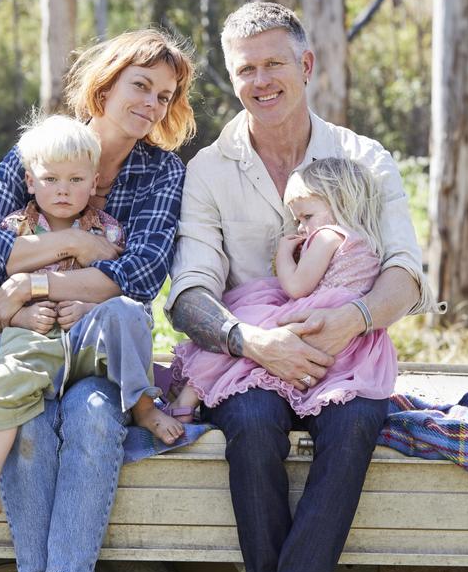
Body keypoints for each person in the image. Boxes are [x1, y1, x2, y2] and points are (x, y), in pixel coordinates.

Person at [167, 2, 436, 572]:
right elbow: (191, 290)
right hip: (250, 353)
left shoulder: (361, 159)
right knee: (252, 425)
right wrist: (253, 339)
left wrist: (351, 319)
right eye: (245, 68)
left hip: (342, 350)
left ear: (306, 65)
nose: (260, 80)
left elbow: (406, 273)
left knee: (356, 423)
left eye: (273, 63)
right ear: (232, 78)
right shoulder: (210, 170)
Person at [0, 29, 195, 572]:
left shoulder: (159, 170)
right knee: (29, 421)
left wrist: (24, 283)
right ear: (106, 82)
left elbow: (139, 274)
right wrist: (84, 259)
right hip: (25, 344)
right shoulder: (41, 150)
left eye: (164, 94)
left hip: (97, 349)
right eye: (140, 85)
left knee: (91, 411)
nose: (151, 103)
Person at [0, 114, 189, 528]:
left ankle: (143, 405)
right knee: (7, 380)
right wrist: (24, 314)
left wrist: (83, 305)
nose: (63, 190)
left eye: (76, 180)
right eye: (51, 179)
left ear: (95, 183)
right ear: (29, 181)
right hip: (36, 340)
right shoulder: (14, 231)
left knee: (126, 317)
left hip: (85, 344)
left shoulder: (108, 235)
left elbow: (123, 282)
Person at [169, 157, 397, 418]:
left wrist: (283, 254)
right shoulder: (369, 242)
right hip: (344, 330)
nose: (301, 228)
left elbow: (296, 287)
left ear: (340, 202)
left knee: (248, 336)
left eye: (307, 217)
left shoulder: (327, 236)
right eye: (298, 220)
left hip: (315, 311)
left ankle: (187, 399)